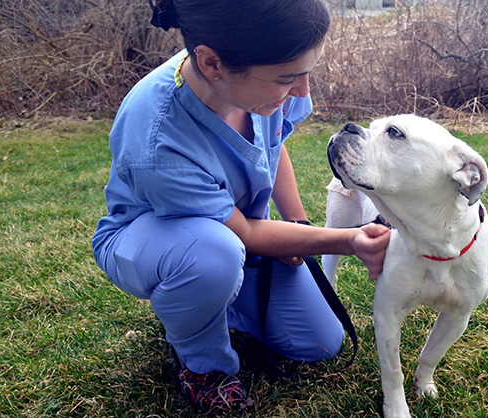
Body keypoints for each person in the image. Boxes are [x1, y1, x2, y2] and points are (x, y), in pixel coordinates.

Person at [91, 0, 391, 413]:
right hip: (156, 241)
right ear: (212, 64)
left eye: (307, 73)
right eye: (288, 79)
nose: (303, 91)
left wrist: (297, 225)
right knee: (211, 256)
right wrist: (349, 240)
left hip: (232, 238)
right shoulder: (157, 136)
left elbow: (274, 144)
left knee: (321, 342)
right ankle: (203, 366)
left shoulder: (259, 84)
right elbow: (246, 234)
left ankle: (205, 305)